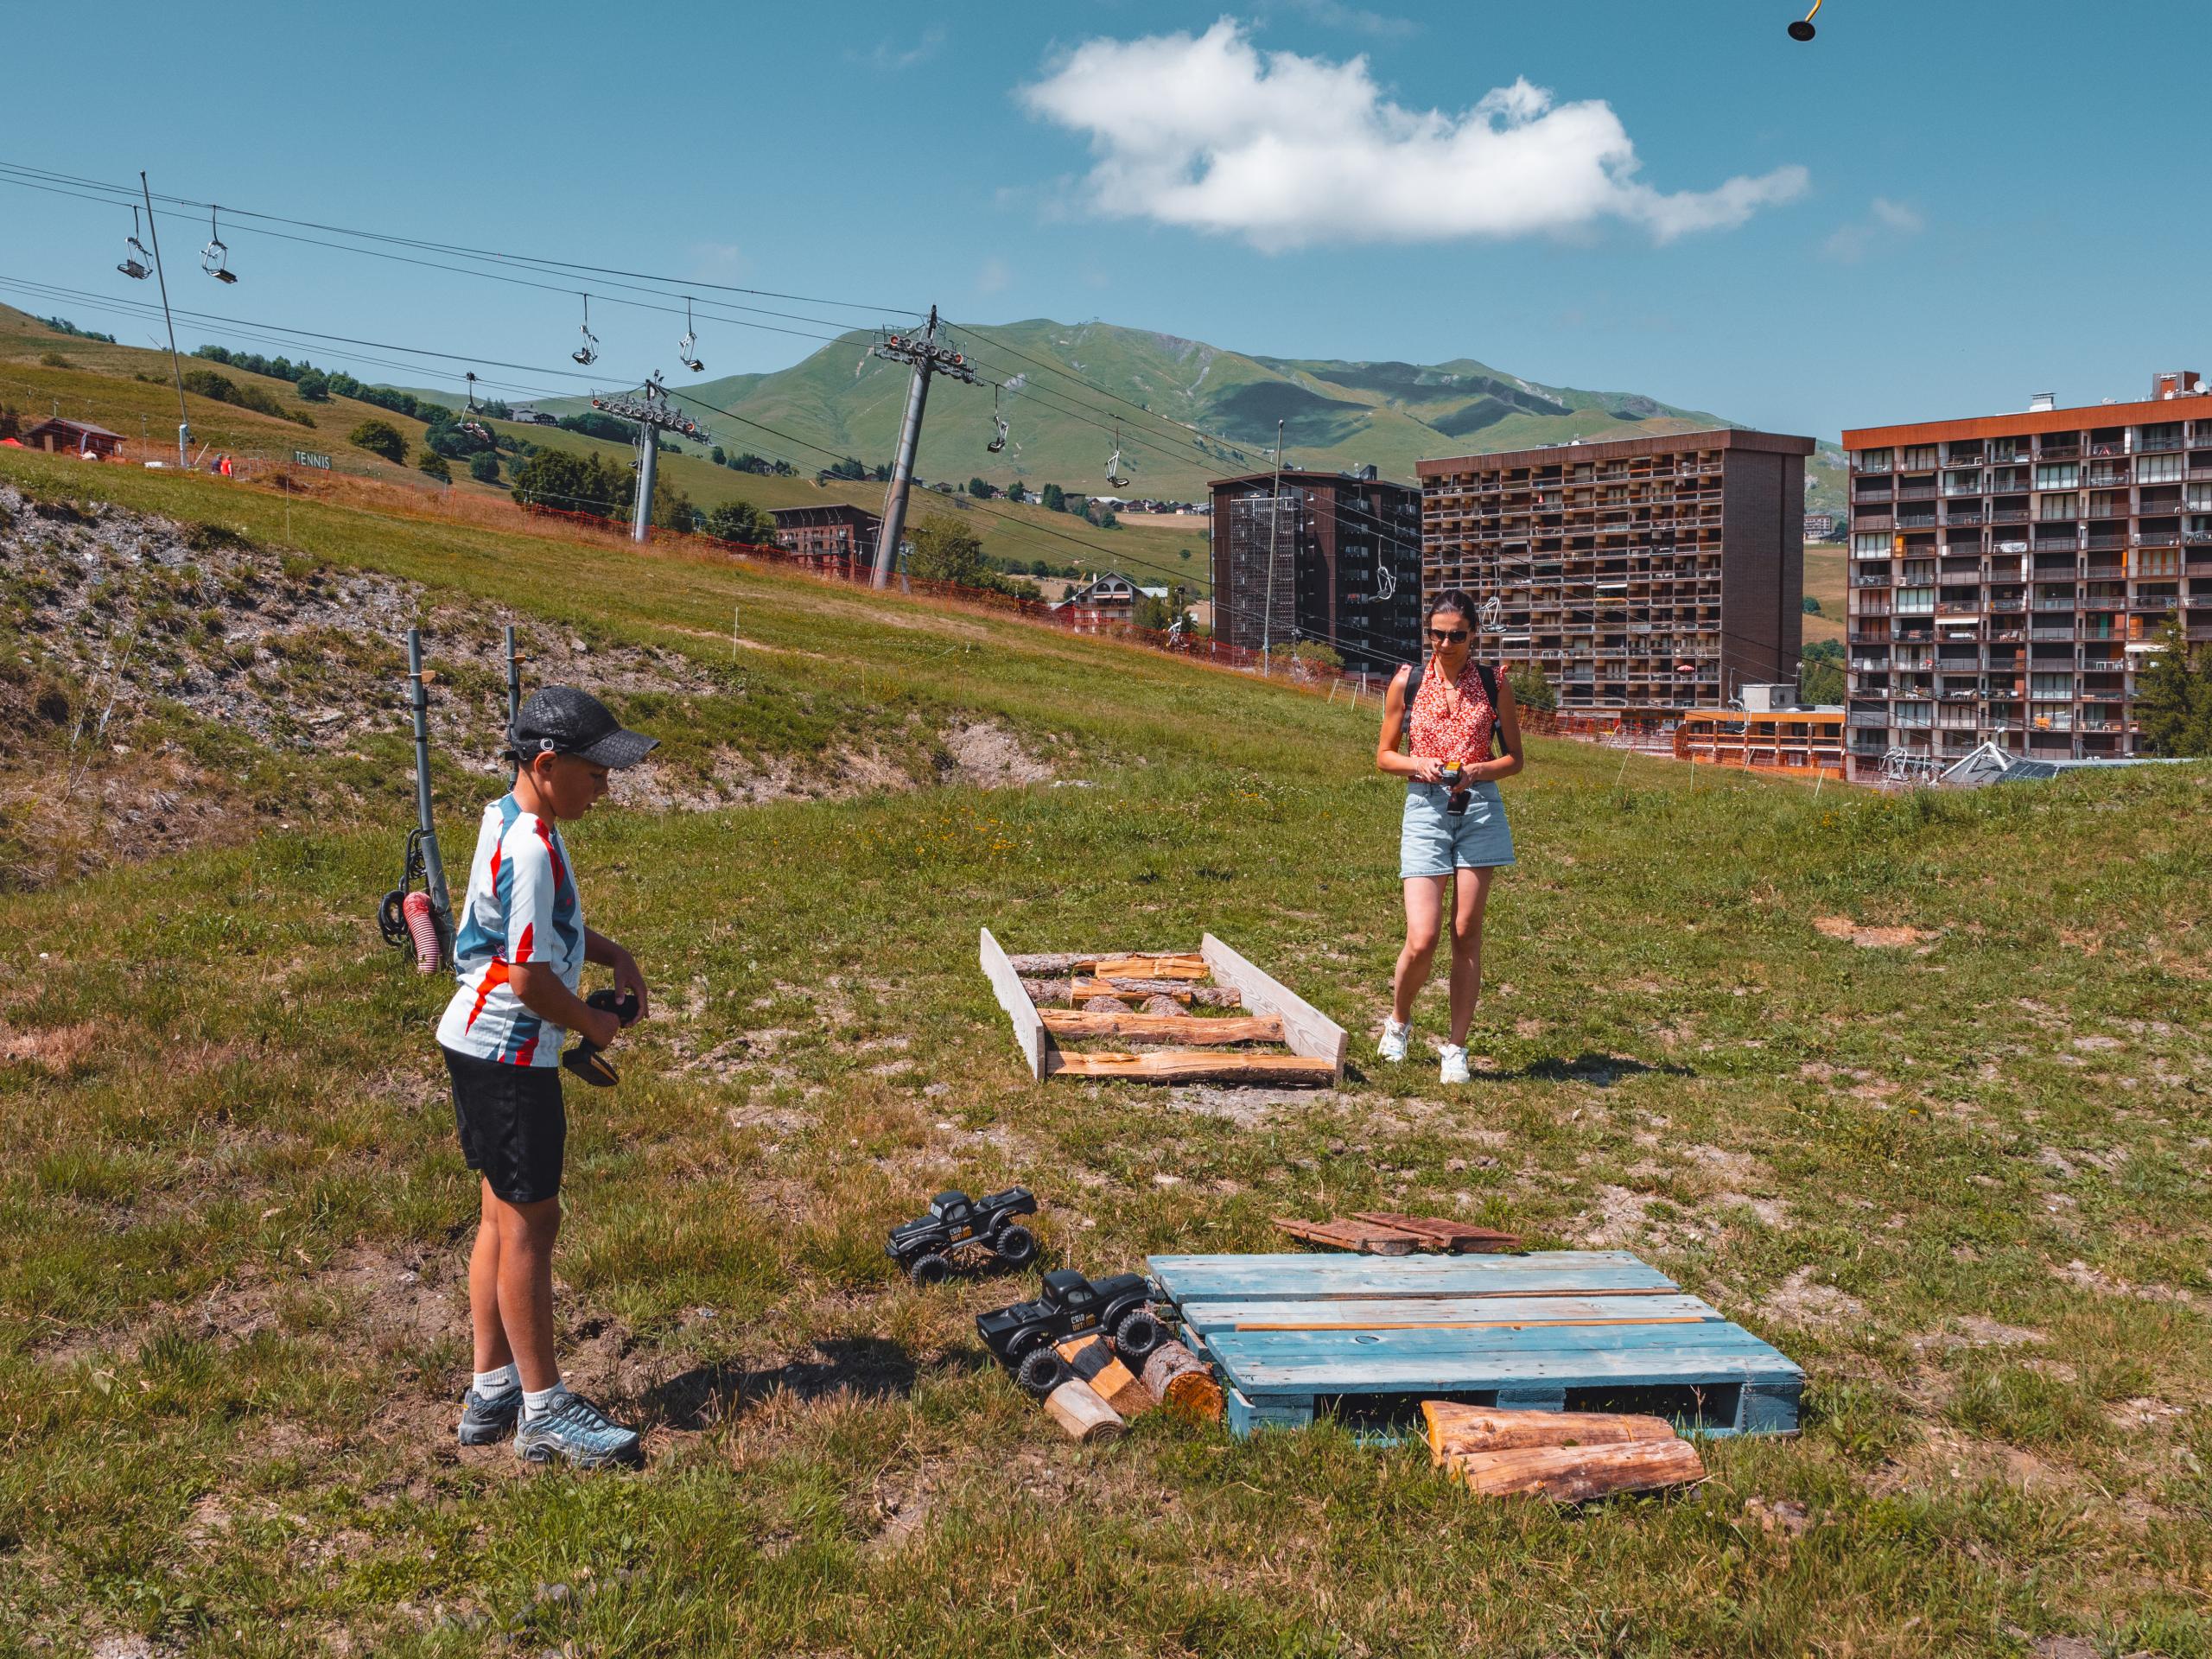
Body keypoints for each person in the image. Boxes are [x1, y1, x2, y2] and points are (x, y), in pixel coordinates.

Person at [435, 685, 657, 1468]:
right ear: (548, 762)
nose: (606, 786)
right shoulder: (532, 847)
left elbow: (539, 929)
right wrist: (592, 1022)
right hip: (506, 1053)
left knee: (501, 1217)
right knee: (533, 1226)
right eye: (596, 772)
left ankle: (490, 1386)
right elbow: (529, 976)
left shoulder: (517, 820)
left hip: (479, 1047)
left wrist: (611, 953)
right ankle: (544, 1410)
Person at [1373, 590, 1525, 1084]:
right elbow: (1384, 755)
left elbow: (1515, 759)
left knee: (1466, 932)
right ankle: (1398, 1023)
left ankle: (1455, 1049)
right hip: (1425, 807)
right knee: (1423, 937)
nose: (1445, 643)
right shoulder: (1408, 681)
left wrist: (1479, 769)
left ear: (1473, 634)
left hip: (1479, 809)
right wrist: (1420, 764)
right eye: (1436, 634)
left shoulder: (1492, 682)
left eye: (1457, 634)